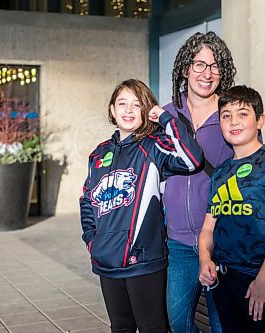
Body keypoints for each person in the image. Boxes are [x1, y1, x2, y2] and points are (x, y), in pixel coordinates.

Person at [79, 79, 203, 332]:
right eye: (122, 103)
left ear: (147, 111)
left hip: (144, 261)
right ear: (112, 109)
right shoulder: (99, 153)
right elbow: (87, 200)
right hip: (107, 261)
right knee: (121, 327)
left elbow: (192, 160)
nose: (128, 110)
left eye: (137, 105)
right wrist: (93, 241)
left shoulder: (154, 146)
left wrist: (167, 119)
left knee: (153, 328)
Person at [198, 85, 265, 332]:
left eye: (243, 114)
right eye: (226, 115)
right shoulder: (220, 172)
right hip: (224, 279)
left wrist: (264, 281)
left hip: (261, 277)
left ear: (260, 120)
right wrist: (204, 260)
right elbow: (208, 229)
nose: (234, 121)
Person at [162, 31, 236, 333]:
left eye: (215, 66)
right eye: (200, 65)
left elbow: (249, 166)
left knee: (223, 326)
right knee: (178, 322)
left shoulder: (230, 113)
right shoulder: (167, 114)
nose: (207, 73)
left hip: (221, 238)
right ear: (185, 69)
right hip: (178, 240)